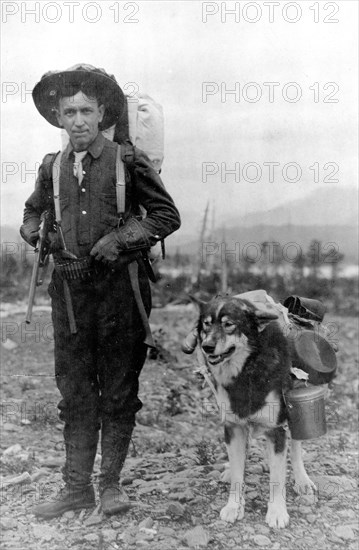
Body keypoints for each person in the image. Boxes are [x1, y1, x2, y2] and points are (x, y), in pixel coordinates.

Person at [20, 64, 181, 519]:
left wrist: (124, 239)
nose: (77, 121)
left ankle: (109, 486)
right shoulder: (52, 167)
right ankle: (75, 488)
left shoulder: (127, 161)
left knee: (117, 389)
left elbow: (166, 215)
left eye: (86, 110)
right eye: (68, 111)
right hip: (68, 295)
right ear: (58, 115)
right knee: (73, 392)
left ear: (102, 112)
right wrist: (36, 233)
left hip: (120, 293)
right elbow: (31, 213)